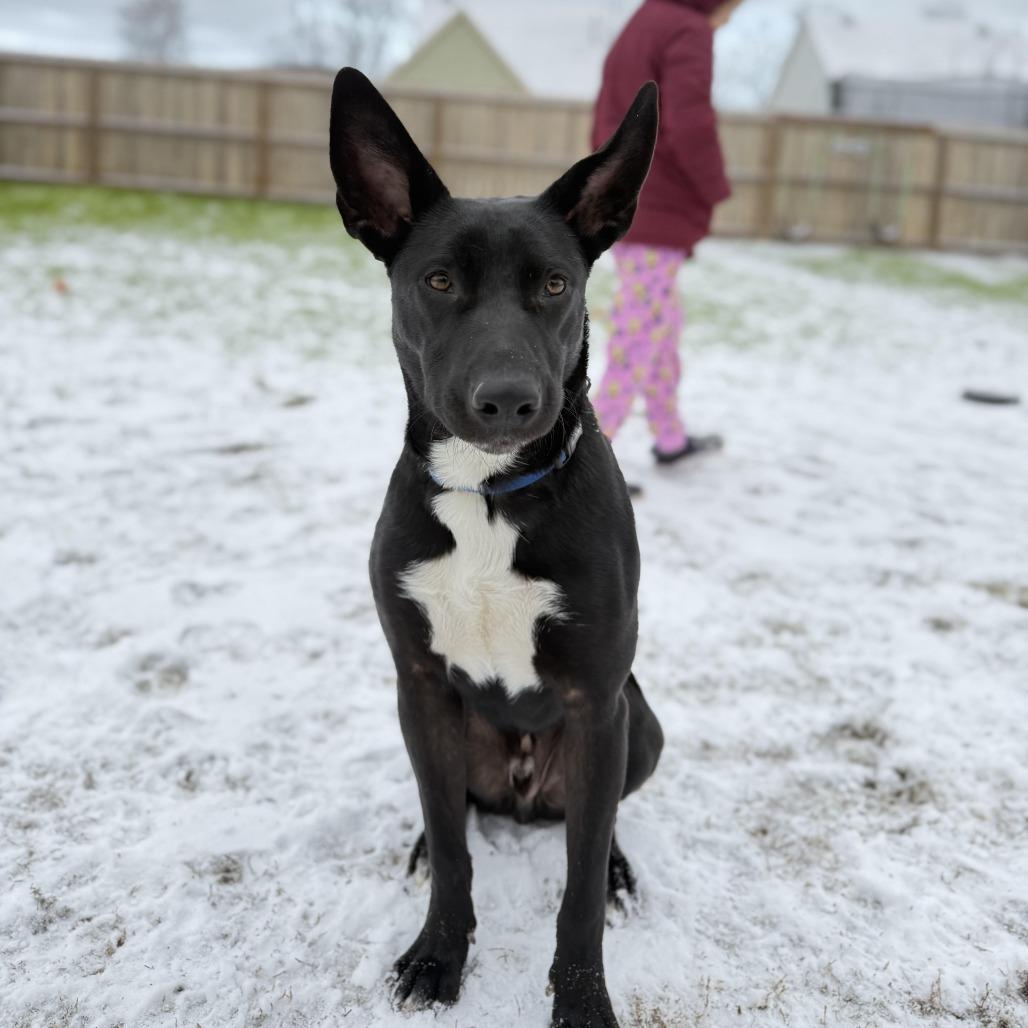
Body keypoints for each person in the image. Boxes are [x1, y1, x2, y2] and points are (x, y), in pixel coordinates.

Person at [591, 0, 742, 466]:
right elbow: (690, 120)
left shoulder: (647, 19)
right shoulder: (688, 29)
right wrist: (714, 186)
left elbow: (606, 110)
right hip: (657, 201)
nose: (733, 16)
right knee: (638, 331)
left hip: (631, 195)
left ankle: (669, 436)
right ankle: (587, 455)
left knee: (661, 325)